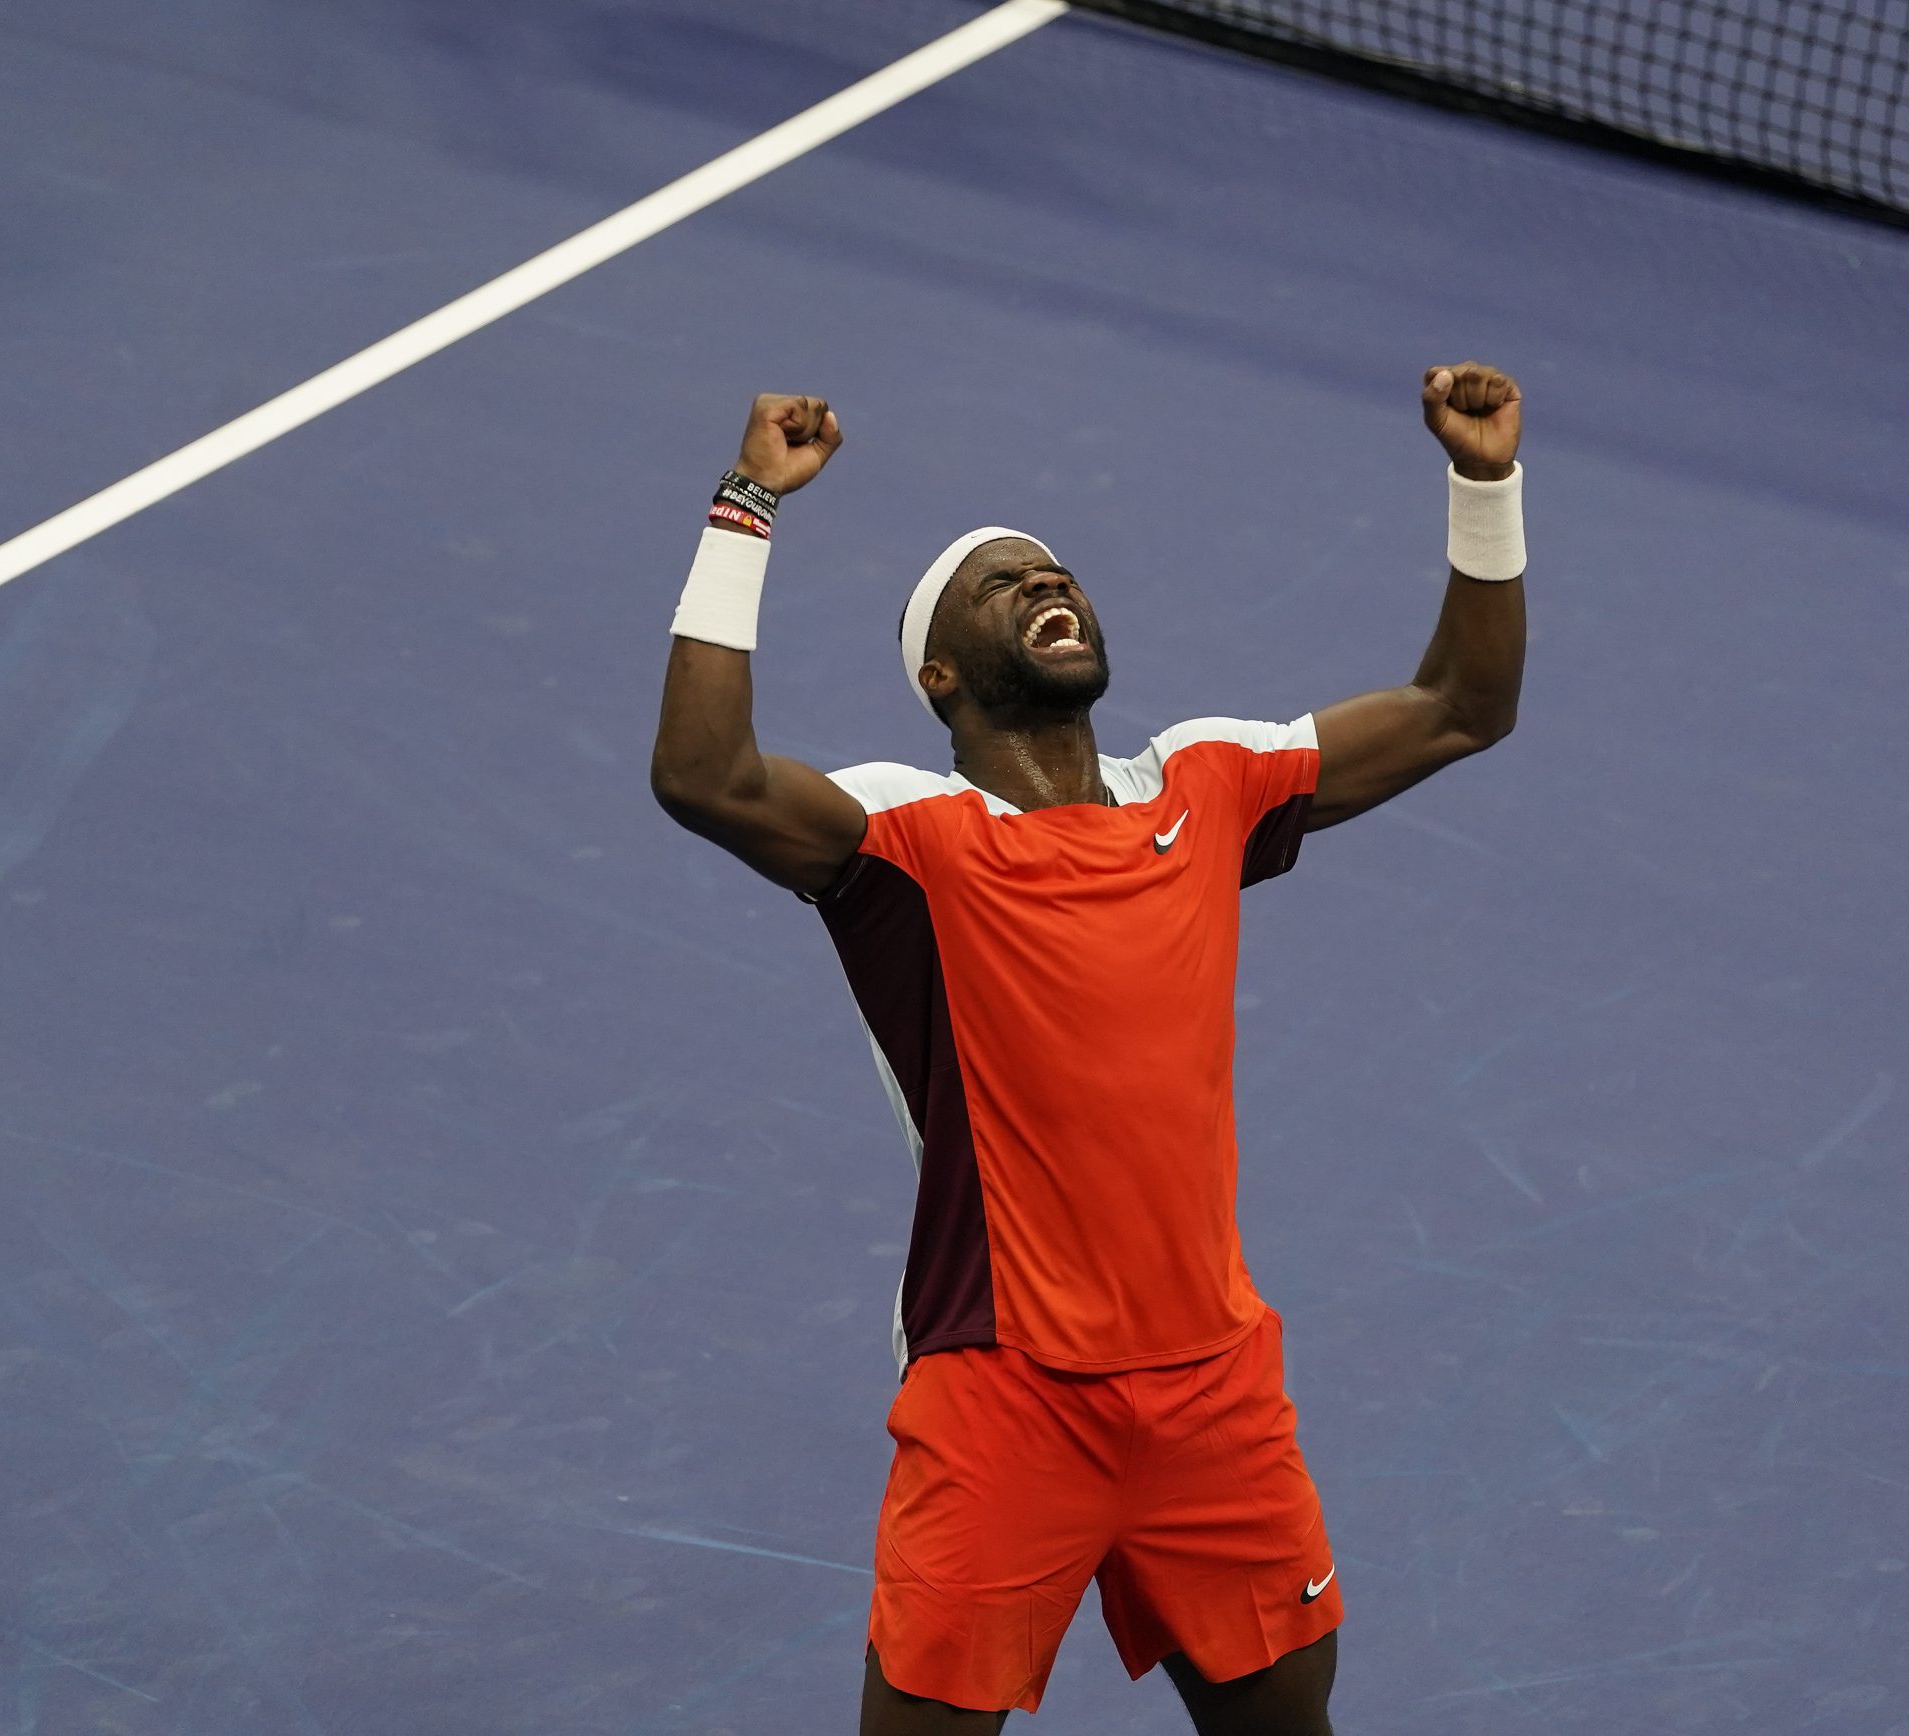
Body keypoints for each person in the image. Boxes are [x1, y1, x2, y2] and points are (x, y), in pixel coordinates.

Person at [649, 365, 1526, 1734]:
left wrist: (1484, 484)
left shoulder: (1210, 785)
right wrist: (747, 504)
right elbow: (705, 777)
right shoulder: (907, 843)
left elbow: (1462, 707)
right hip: (1002, 1396)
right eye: (1002, 585)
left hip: (1214, 1391)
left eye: (1054, 570)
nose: (1045, 584)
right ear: (940, 677)